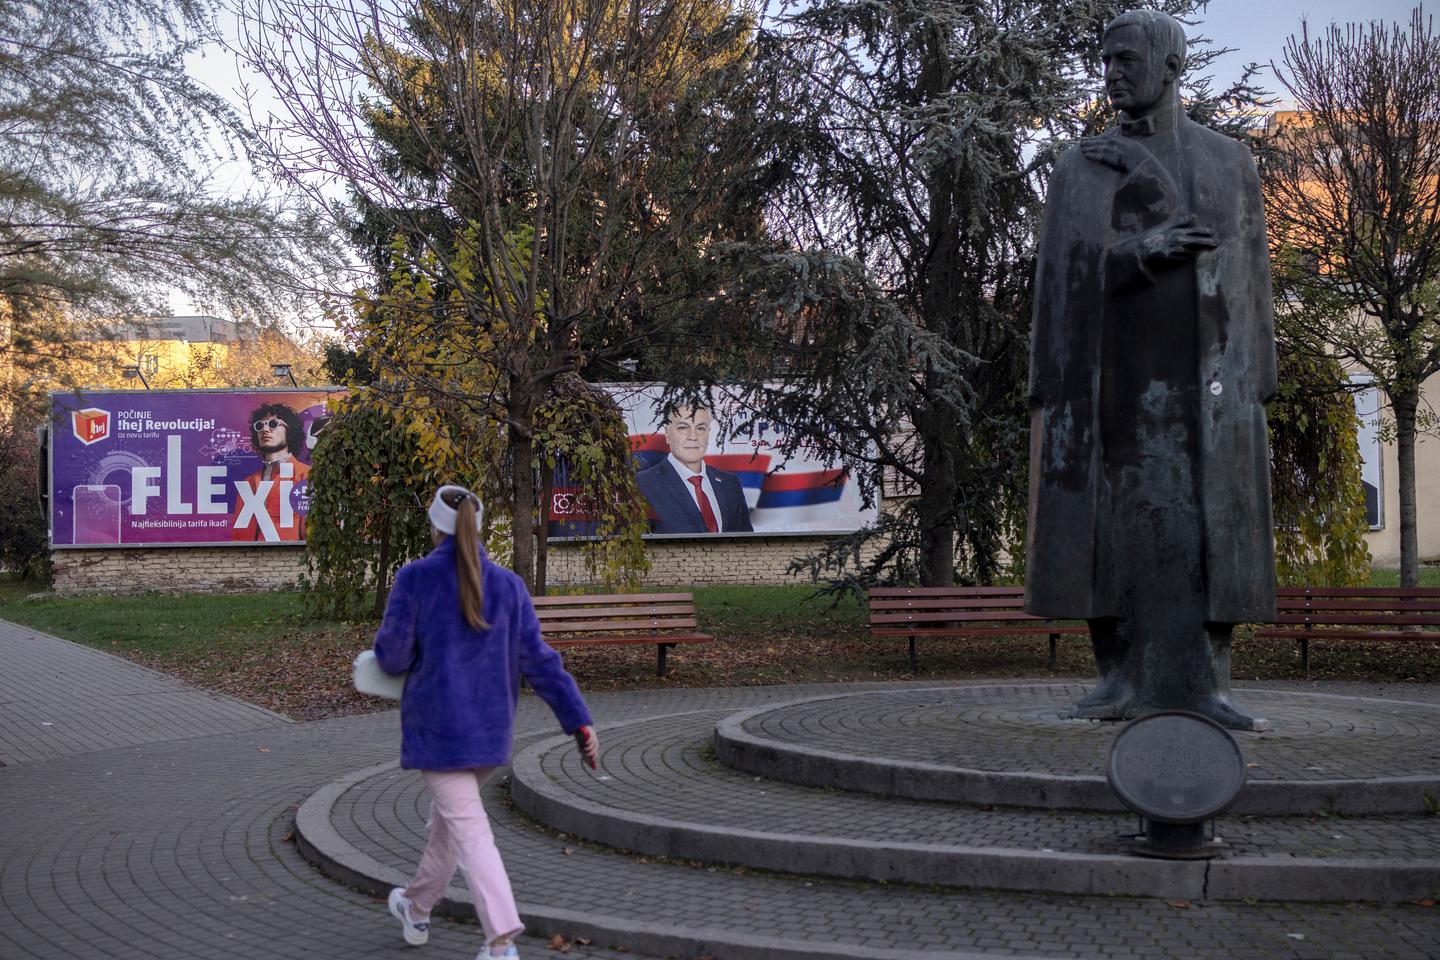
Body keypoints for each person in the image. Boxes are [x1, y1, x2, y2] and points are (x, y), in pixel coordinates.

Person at [1025, 9, 1276, 730]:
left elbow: (1252, 274)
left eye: (1126, 60)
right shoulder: (1083, 165)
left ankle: (1211, 681)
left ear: (1171, 68)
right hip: (1111, 382)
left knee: (1213, 531)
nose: (1111, 73)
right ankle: (1116, 677)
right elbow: (1059, 281)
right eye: (1105, 61)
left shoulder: (1227, 161)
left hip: (1209, 383)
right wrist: (1138, 254)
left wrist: (1259, 379)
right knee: (1106, 533)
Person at [372, 485, 600, 959]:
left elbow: (392, 658)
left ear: (435, 527)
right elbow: (540, 662)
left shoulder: (414, 579)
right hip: (490, 735)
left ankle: (500, 942)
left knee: (470, 833)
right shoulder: (509, 585)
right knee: (449, 828)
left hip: (438, 734)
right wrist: (578, 721)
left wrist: (387, 651)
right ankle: (415, 909)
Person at [635, 404, 753, 534]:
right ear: (667, 435)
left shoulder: (730, 483)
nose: (693, 436)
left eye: (700, 428)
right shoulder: (643, 484)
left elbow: (747, 542)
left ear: (708, 434)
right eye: (683, 427)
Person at [230, 402, 310, 541]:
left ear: (289, 430)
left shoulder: (306, 475)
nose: (265, 429)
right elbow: (239, 536)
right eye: (260, 426)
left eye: (273, 424)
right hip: (250, 560)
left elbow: (311, 534)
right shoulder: (249, 483)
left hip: (289, 560)